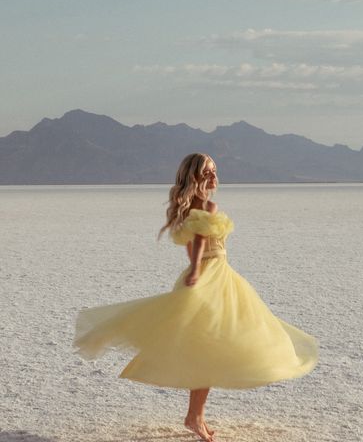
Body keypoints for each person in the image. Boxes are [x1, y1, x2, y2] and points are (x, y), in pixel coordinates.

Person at [73, 153, 318, 441]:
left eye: (214, 171)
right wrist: (197, 272)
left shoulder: (185, 209)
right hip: (212, 278)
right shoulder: (207, 208)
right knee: (211, 348)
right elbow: (200, 240)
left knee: (206, 348)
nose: (213, 177)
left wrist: (193, 270)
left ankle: (195, 415)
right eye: (207, 173)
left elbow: (191, 246)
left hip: (204, 275)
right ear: (194, 177)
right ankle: (194, 416)